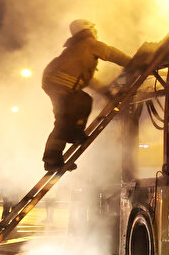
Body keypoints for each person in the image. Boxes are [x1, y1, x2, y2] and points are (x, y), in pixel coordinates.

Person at [42, 19, 131, 172]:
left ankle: (52, 159)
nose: (97, 33)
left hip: (52, 80)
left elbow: (86, 79)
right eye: (94, 30)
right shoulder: (88, 42)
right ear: (87, 29)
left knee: (63, 120)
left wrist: (106, 92)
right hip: (60, 81)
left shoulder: (76, 50)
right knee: (82, 101)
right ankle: (75, 133)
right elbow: (111, 53)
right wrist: (133, 62)